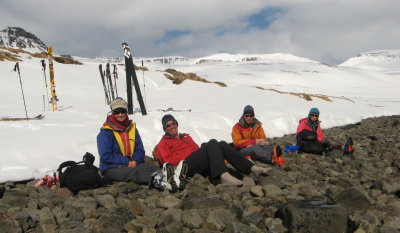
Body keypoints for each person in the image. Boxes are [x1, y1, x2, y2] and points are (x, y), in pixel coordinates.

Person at [155, 114, 272, 187]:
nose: (171, 126)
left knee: (220, 144)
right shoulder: (163, 143)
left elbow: (197, 151)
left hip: (197, 163)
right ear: (165, 129)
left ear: (177, 124)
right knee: (212, 143)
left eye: (173, 123)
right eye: (168, 125)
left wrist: (206, 151)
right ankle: (224, 176)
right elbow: (167, 162)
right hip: (184, 167)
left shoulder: (186, 137)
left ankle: (252, 169)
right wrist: (190, 155)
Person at [97, 97, 186, 192]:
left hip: (130, 163)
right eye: (117, 112)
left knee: (151, 166)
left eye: (123, 111)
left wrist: (135, 160)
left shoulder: (132, 129)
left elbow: (139, 149)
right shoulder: (106, 132)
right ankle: (161, 181)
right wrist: (126, 161)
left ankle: (173, 178)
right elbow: (105, 155)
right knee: (134, 172)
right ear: (112, 113)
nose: (120, 114)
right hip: (111, 168)